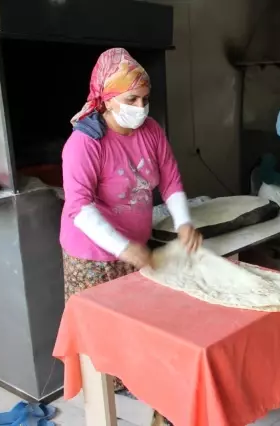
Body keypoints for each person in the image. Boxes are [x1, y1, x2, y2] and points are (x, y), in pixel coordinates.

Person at [60, 48, 202, 398]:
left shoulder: (151, 131)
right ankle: (102, 396)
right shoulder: (85, 143)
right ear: (107, 100)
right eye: (132, 99)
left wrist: (184, 223)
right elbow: (80, 208)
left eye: (145, 99)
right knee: (102, 331)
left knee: (134, 322)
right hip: (92, 254)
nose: (140, 107)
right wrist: (125, 248)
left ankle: (130, 382)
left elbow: (169, 178)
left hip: (135, 245)